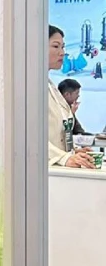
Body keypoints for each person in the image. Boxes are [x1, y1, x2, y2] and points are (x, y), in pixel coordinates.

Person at [49, 26, 95, 168]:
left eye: (63, 47)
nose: (62, 53)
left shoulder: (50, 86)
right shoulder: (27, 87)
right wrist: (63, 157)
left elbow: (57, 134)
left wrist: (73, 151)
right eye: (56, 46)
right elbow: (28, 137)